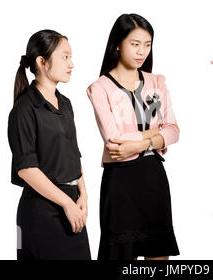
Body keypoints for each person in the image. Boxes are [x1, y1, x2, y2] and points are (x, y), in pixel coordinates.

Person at [87, 13, 180, 260]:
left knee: (158, 257)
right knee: (120, 255)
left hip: (154, 178)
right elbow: (115, 140)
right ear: (118, 43)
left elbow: (174, 130)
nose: (142, 52)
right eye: (135, 44)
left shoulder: (157, 82)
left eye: (147, 45)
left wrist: (145, 141)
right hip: (120, 182)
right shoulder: (100, 88)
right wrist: (155, 134)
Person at [8, 30, 91, 260]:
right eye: (65, 57)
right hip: (42, 212)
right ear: (41, 62)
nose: (71, 64)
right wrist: (66, 203)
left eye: (71, 57)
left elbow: (74, 153)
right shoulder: (24, 109)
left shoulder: (65, 104)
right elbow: (26, 168)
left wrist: (83, 195)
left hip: (73, 206)